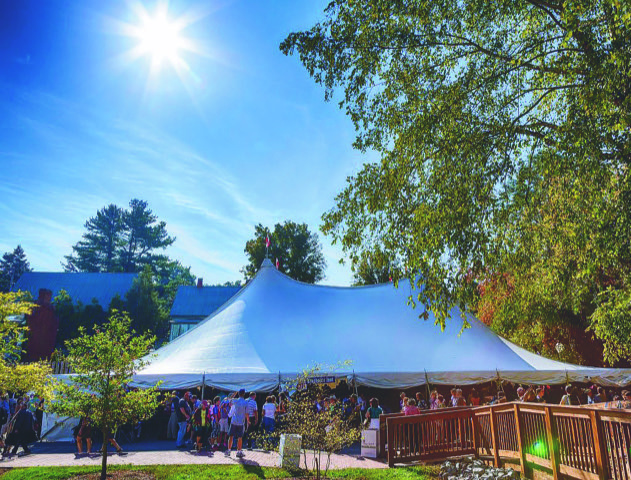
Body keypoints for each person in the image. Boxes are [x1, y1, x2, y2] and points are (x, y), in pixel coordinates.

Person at [226, 389, 249, 458]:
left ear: (238, 394)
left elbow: (228, 398)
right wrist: (248, 421)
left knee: (231, 436)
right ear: (244, 394)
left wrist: (235, 393)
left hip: (234, 420)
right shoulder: (245, 402)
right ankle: (239, 451)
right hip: (241, 422)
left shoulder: (235, 400)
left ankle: (229, 450)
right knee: (240, 437)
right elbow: (246, 413)